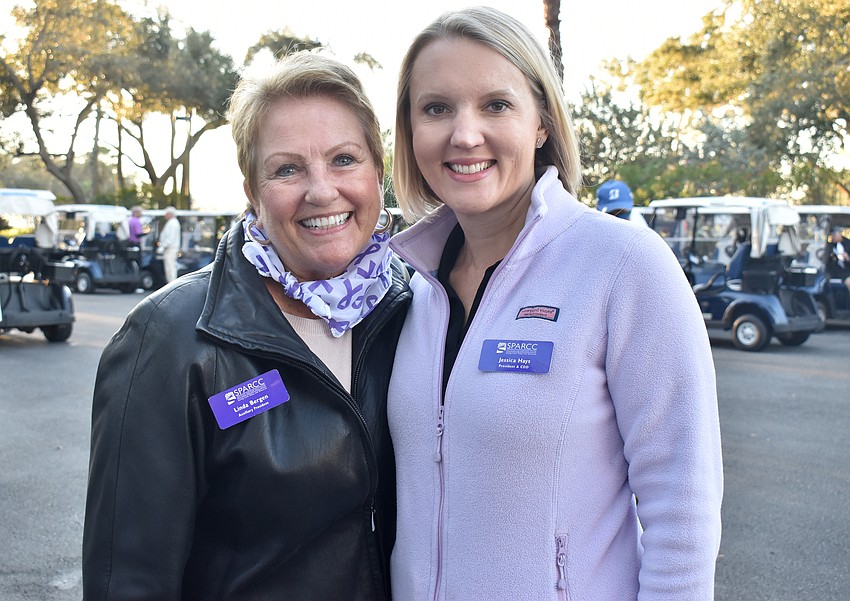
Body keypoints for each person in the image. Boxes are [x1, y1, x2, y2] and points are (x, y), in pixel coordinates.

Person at [387, 7, 723, 600]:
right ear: (411, 131)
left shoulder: (623, 264)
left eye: (496, 104)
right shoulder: (407, 287)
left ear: (541, 121)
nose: (465, 134)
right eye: (437, 108)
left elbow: (682, 502)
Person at [82, 51, 411, 600]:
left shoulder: (411, 307)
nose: (321, 191)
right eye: (287, 169)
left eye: (344, 159)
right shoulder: (168, 338)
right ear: (252, 193)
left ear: (379, 172)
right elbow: (130, 578)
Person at [158, 205, 181, 282]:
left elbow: (170, 237)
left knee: (170, 267)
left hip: (170, 248)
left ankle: (171, 282)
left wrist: (163, 246)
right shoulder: (172, 222)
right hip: (170, 248)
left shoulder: (173, 223)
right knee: (169, 267)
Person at [826, 227, 850, 294]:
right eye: (831, 235)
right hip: (834, 271)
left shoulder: (848, 243)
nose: (832, 237)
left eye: (834, 235)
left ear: (840, 234)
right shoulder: (830, 246)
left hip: (847, 270)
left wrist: (847, 258)